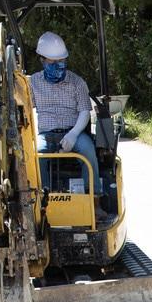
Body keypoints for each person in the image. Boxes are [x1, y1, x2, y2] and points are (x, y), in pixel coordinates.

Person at [27, 31, 99, 194]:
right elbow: (24, 109)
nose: (58, 65)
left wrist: (73, 134)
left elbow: (84, 111)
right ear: (42, 60)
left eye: (61, 61)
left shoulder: (77, 82)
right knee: (34, 156)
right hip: (45, 134)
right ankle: (40, 199)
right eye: (53, 62)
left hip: (74, 132)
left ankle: (95, 199)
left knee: (88, 150)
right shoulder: (32, 83)